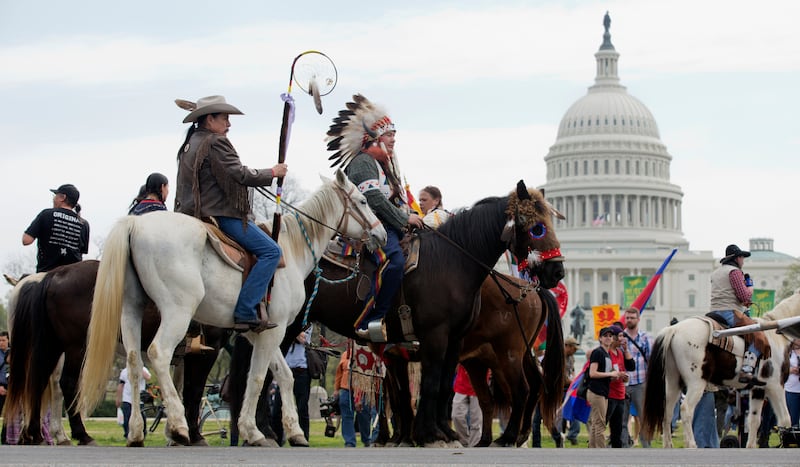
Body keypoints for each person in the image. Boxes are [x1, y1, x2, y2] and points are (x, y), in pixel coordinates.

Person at [174, 95, 287, 333]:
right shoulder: (216, 142)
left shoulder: (190, 143)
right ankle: (246, 310)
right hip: (219, 215)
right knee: (272, 251)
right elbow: (239, 174)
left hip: (190, 213)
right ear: (209, 119)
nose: (229, 124)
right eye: (224, 118)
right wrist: (272, 172)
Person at [326, 94, 424, 339]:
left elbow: (390, 200)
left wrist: (409, 215)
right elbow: (374, 201)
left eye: (394, 135)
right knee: (396, 261)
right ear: (375, 138)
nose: (394, 140)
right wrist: (404, 220)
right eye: (389, 135)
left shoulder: (382, 166)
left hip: (386, 225)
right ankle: (372, 319)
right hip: (369, 229)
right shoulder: (364, 162)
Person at [709, 244, 769, 384]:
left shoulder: (715, 273)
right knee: (758, 335)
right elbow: (745, 297)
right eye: (742, 257)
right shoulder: (735, 272)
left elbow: (728, 294)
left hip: (712, 311)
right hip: (729, 312)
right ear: (737, 258)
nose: (743, 261)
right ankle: (747, 369)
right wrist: (750, 287)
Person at [22, 184, 89, 272]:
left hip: (46, 275)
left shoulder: (46, 214)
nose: (54, 198)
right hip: (73, 277)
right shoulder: (84, 224)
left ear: (62, 197)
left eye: (55, 195)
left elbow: (26, 240)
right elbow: (81, 253)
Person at [334, 340, 380, 447]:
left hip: (363, 390)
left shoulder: (367, 354)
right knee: (347, 416)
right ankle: (350, 442)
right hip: (346, 389)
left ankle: (366, 439)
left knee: (364, 416)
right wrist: (336, 389)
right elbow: (339, 373)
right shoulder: (345, 355)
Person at [622, 306, 652, 447]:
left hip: (640, 382)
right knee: (622, 418)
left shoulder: (646, 338)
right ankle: (623, 445)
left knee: (643, 416)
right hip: (624, 383)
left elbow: (651, 361)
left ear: (638, 319)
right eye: (627, 317)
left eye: (632, 318)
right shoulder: (621, 337)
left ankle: (646, 445)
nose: (629, 320)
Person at [586, 326, 621, 448]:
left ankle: (593, 449)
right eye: (605, 336)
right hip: (596, 391)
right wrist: (610, 374)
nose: (608, 338)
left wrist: (615, 376)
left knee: (597, 424)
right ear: (600, 338)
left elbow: (604, 373)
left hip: (603, 391)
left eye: (610, 336)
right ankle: (601, 451)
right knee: (600, 424)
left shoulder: (607, 354)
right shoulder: (598, 352)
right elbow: (592, 373)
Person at [607, 325, 634, 448]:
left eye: (623, 336)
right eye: (620, 336)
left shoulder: (620, 352)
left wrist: (626, 349)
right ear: (613, 338)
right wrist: (616, 375)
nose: (622, 338)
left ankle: (616, 450)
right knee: (602, 424)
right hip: (609, 394)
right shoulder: (606, 353)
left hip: (620, 393)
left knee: (617, 427)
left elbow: (631, 366)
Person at [116, 366, 151, 439]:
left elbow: (148, 377)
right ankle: (128, 434)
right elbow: (121, 385)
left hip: (139, 399)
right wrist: (118, 398)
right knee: (127, 418)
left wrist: (139, 369)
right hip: (127, 398)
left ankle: (142, 434)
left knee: (142, 418)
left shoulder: (143, 369)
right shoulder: (125, 371)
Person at [451, 363, 482, 447]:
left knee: (476, 420)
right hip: (462, 384)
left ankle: (474, 445)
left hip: (479, 384)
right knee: (456, 415)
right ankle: (464, 442)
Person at [562, 336, 582, 445]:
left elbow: (572, 370)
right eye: (573, 349)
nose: (574, 352)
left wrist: (574, 379)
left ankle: (572, 434)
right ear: (567, 346)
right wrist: (574, 383)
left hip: (569, 388)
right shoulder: (560, 357)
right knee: (562, 414)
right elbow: (563, 377)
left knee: (574, 410)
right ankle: (563, 434)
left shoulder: (571, 357)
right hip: (561, 389)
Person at [787, 338, 800, 427]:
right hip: (791, 389)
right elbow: (779, 368)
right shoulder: (788, 352)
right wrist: (790, 370)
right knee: (793, 418)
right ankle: (793, 439)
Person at [0, 332, 8, 415]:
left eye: (3, 340)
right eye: (0, 340)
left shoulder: (13, 354)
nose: (1, 342)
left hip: (11, 388)